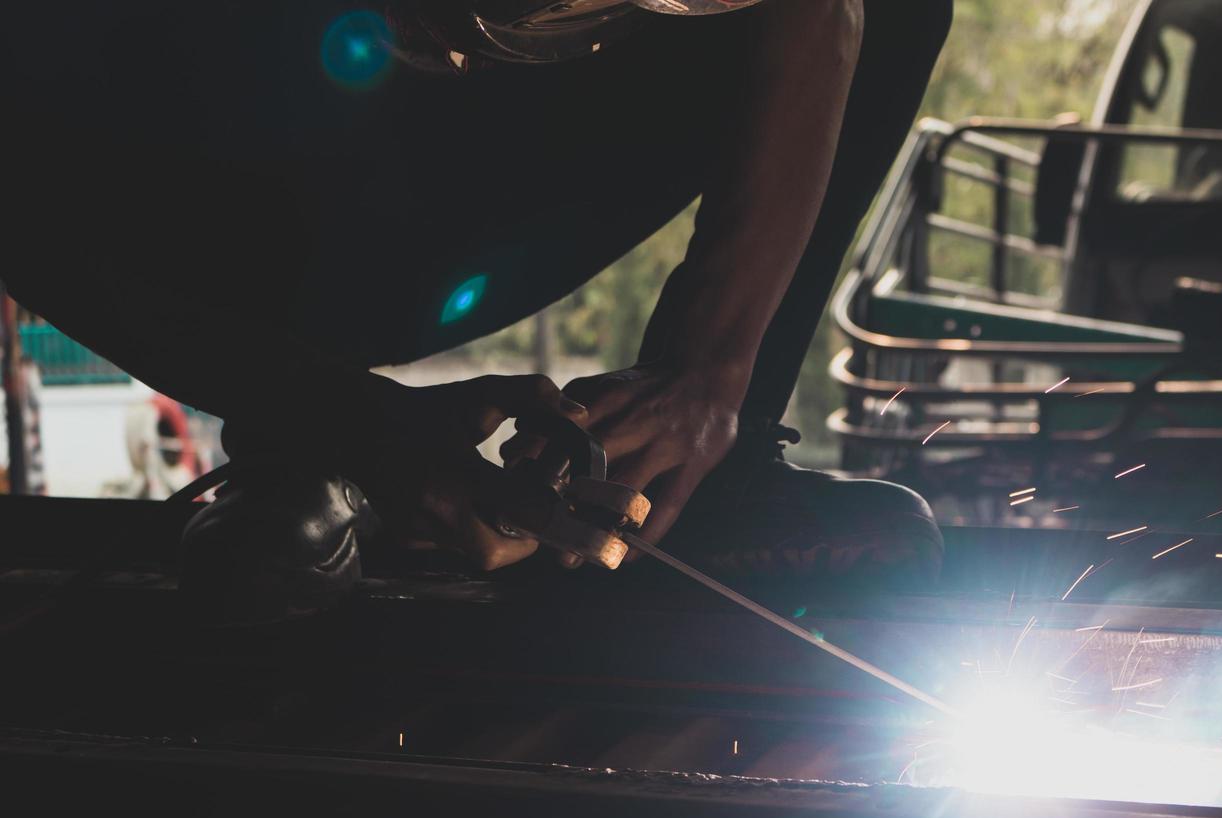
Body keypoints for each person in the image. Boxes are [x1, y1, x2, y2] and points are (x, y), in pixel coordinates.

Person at [0, 0, 951, 619]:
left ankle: (700, 479)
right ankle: (299, 452)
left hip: (499, 163)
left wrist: (712, 372)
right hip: (266, 173)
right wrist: (344, 416)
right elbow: (34, 217)